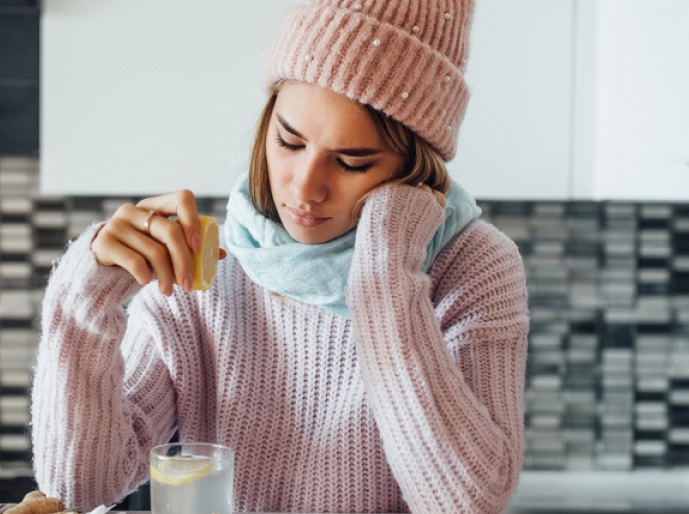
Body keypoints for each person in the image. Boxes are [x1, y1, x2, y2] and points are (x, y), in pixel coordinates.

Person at [30, 0, 529, 512]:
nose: (305, 189)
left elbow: (469, 503)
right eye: (289, 142)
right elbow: (80, 488)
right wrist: (83, 299)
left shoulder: (472, 267)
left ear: (412, 169)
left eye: (352, 162)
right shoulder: (209, 265)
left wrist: (384, 276)